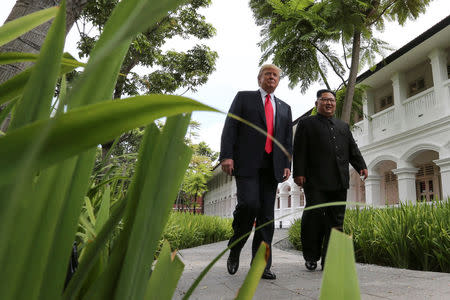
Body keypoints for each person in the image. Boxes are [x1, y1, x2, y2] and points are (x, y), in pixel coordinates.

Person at [220, 64, 293, 280]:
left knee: (266, 217)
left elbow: (287, 139)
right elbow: (230, 126)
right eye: (268, 74)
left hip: (273, 167)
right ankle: (236, 246)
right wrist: (226, 155)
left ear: (278, 81)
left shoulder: (285, 108)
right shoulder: (244, 98)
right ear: (259, 78)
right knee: (249, 205)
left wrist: (287, 163)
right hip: (247, 163)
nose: (272, 77)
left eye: (276, 75)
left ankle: (261, 264)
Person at [292, 89, 368, 271]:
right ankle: (311, 256)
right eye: (324, 100)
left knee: (336, 221)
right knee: (314, 217)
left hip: (339, 181)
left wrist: (361, 165)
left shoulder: (343, 126)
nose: (329, 103)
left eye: (332, 100)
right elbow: (299, 149)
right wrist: (299, 172)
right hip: (315, 181)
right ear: (316, 103)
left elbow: (352, 148)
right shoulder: (306, 124)